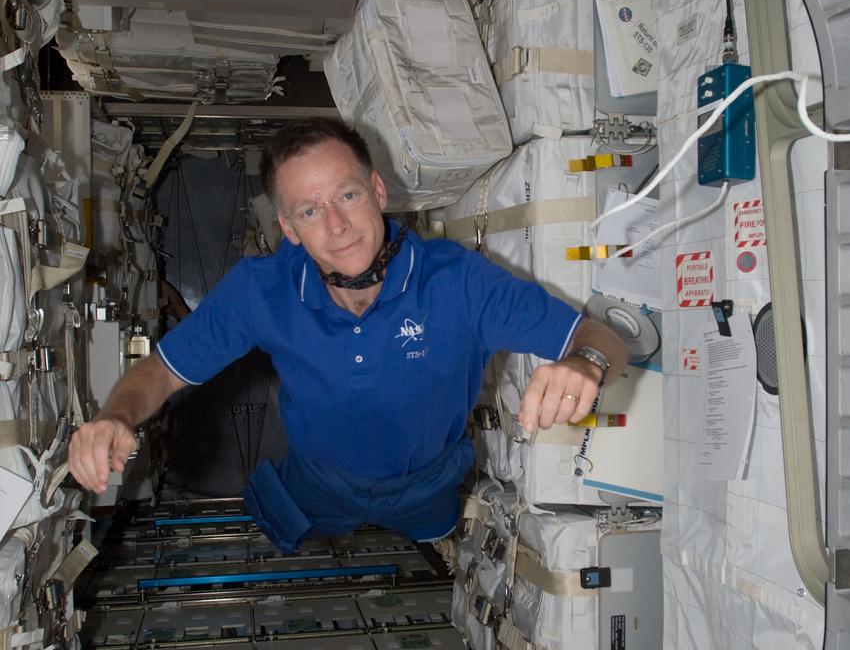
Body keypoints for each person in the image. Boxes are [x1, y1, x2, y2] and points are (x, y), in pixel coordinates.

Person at [69, 120, 626, 549]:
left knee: (432, 533)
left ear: (378, 191)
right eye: (310, 210)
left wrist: (586, 362)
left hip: (425, 481)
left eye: (348, 196)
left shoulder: (457, 280)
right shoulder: (260, 291)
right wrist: (116, 415)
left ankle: (419, 526)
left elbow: (598, 335)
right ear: (286, 228)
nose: (336, 225)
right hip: (320, 479)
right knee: (289, 529)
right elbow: (163, 368)